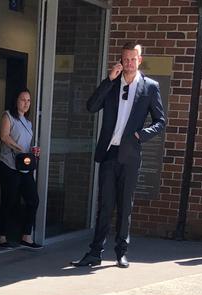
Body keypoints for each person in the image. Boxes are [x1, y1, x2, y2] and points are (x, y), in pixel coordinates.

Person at [71, 42, 166, 268]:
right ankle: (95, 253)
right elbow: (91, 106)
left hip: (131, 154)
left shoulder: (150, 87)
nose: (129, 63)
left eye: (133, 59)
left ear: (140, 60)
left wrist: (141, 135)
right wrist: (108, 81)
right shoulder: (112, 85)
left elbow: (161, 121)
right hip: (109, 153)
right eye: (125, 59)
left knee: (125, 206)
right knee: (105, 204)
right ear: (120, 60)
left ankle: (121, 252)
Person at [0, 88, 43, 250]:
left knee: (33, 199)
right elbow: (4, 136)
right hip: (8, 165)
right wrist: (20, 150)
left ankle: (26, 236)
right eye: (23, 99)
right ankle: (2, 236)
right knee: (9, 201)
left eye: (28, 100)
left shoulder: (28, 123)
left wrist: (33, 151)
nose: (26, 103)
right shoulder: (7, 116)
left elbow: (27, 145)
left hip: (23, 167)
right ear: (16, 100)